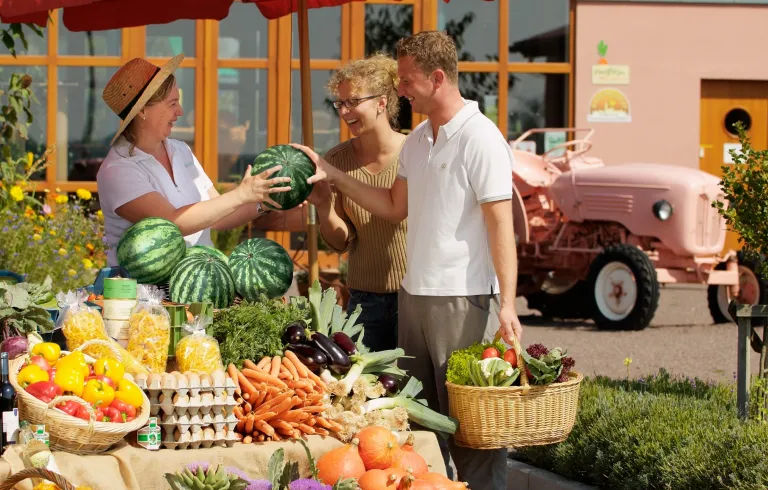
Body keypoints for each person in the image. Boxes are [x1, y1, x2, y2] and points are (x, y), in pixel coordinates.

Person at [293, 31, 523, 490]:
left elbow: (502, 225)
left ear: (437, 78)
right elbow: (394, 206)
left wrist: (509, 303)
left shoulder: (481, 138)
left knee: (472, 432)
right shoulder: (418, 141)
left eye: (406, 80)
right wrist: (333, 176)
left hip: (465, 298)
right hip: (414, 297)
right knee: (419, 432)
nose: (399, 89)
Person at [96, 54, 290, 267]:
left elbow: (220, 216)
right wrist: (241, 194)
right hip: (143, 293)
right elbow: (172, 223)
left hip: (201, 279)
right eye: (172, 104)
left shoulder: (180, 150)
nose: (180, 112)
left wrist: (265, 200)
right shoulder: (118, 170)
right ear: (143, 110)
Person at [306, 53, 408, 353]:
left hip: (413, 298)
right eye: (340, 103)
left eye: (353, 101)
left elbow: (395, 213)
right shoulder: (337, 160)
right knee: (365, 393)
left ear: (382, 102)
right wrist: (324, 206)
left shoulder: (414, 152)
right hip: (363, 302)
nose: (344, 110)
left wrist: (336, 178)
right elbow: (341, 242)